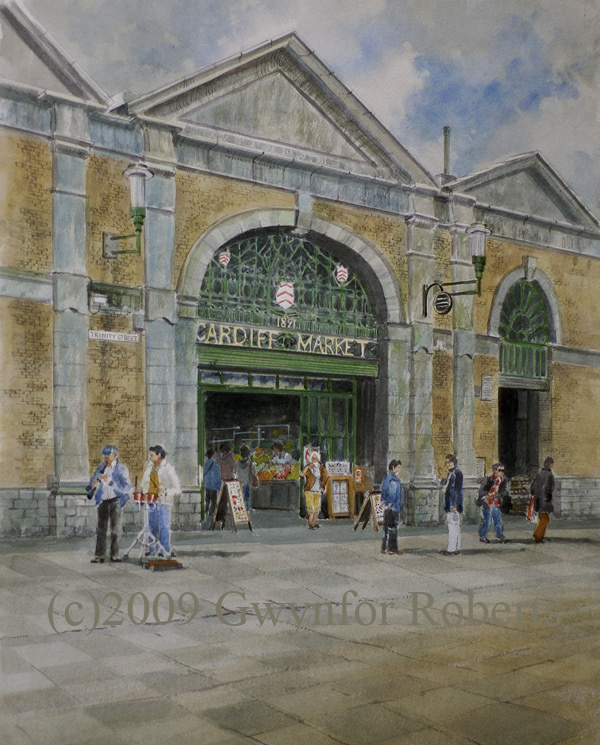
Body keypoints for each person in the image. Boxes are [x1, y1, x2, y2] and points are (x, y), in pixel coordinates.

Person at [86, 445, 131, 563]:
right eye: (104, 457)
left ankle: (115, 555)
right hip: (102, 501)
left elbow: (126, 488)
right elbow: (90, 483)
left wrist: (110, 482)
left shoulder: (121, 469)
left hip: (115, 500)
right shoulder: (101, 468)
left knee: (115, 529)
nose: (105, 459)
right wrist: (93, 484)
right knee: (101, 529)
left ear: (115, 455)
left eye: (108, 457)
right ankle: (99, 555)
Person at [140, 445, 181, 558]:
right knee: (151, 526)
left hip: (163, 502)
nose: (150, 457)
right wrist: (141, 489)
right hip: (150, 501)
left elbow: (178, 489)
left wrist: (166, 491)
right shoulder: (149, 467)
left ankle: (165, 550)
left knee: (164, 527)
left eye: (152, 455)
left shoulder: (168, 468)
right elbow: (144, 483)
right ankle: (152, 549)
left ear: (159, 455)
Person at [478, 463, 510, 544]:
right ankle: (482, 536)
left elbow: (504, 491)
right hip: (487, 502)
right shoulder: (489, 479)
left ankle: (500, 536)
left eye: (502, 470)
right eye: (499, 470)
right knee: (487, 520)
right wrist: (486, 495)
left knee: (498, 520)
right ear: (494, 470)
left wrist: (496, 495)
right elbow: (482, 490)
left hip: (496, 502)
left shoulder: (504, 480)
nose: (501, 472)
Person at [440, 454, 463, 556]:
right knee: (456, 526)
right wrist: (440, 480)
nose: (446, 464)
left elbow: (455, 490)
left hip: (453, 504)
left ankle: (451, 549)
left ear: (453, 463)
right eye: (446, 462)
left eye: (448, 462)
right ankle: (456, 548)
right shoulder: (452, 473)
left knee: (452, 526)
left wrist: (453, 505)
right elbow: (447, 485)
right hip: (454, 503)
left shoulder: (456, 473)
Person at [300, 450, 329, 530]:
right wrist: (308, 467)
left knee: (316, 508)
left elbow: (326, 476)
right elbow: (302, 474)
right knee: (310, 508)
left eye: (316, 459)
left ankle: (314, 523)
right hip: (309, 490)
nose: (314, 460)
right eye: (313, 458)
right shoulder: (308, 468)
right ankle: (310, 524)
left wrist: (323, 487)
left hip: (318, 490)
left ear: (318, 459)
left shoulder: (321, 468)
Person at [380, 459, 403, 556]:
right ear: (393, 467)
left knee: (389, 528)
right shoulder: (391, 479)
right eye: (398, 467)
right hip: (392, 507)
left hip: (392, 507)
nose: (399, 469)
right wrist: (386, 502)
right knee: (392, 528)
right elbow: (389, 493)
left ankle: (386, 548)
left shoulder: (391, 478)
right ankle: (390, 548)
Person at [531, 456, 555, 544]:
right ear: (550, 464)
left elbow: (533, 486)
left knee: (541, 518)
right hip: (544, 500)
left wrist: (534, 495)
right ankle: (538, 536)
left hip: (538, 500)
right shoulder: (549, 475)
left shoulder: (539, 472)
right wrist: (548, 498)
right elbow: (549, 488)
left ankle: (538, 534)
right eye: (552, 463)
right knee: (545, 520)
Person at [236, 445, 257, 513]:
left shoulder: (237, 463)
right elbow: (254, 472)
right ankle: (247, 508)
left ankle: (241, 508)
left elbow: (235, 471)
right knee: (247, 496)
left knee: (241, 496)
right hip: (247, 481)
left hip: (240, 481)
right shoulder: (250, 463)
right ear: (248, 454)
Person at [203, 448, 221, 518]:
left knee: (207, 499)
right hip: (213, 485)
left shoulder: (205, 463)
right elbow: (218, 475)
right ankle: (211, 513)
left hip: (207, 484)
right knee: (213, 501)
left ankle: (206, 511)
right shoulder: (215, 464)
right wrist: (218, 485)